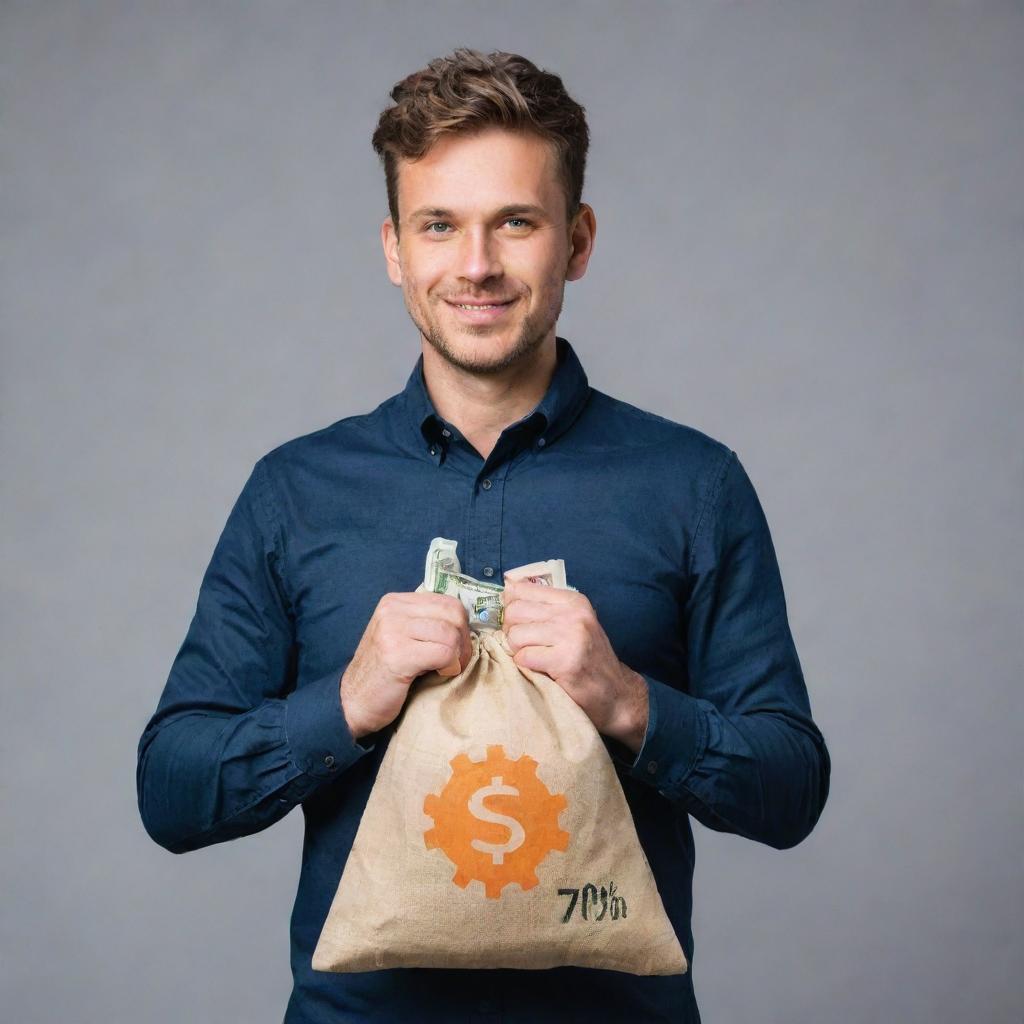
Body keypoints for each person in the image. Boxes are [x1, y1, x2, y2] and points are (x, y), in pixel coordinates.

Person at [136, 47, 830, 1023]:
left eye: (515, 222)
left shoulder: (692, 483)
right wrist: (344, 701)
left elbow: (791, 788)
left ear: (576, 240)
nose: (475, 265)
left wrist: (628, 701)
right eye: (439, 225)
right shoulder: (297, 491)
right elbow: (170, 791)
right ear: (393, 248)